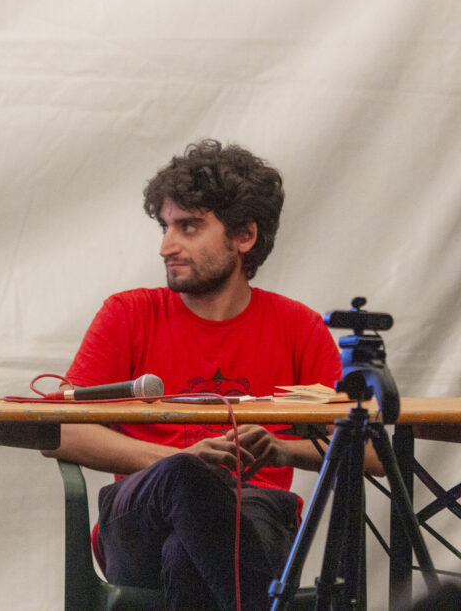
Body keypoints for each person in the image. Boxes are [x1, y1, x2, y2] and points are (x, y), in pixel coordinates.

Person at [43, 139, 381, 609]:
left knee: (188, 555)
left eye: (188, 226)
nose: (166, 246)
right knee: (182, 476)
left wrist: (283, 449)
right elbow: (57, 430)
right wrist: (177, 462)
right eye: (165, 227)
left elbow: (372, 452)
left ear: (244, 236)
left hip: (253, 512)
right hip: (141, 514)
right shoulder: (127, 315)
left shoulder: (298, 327)